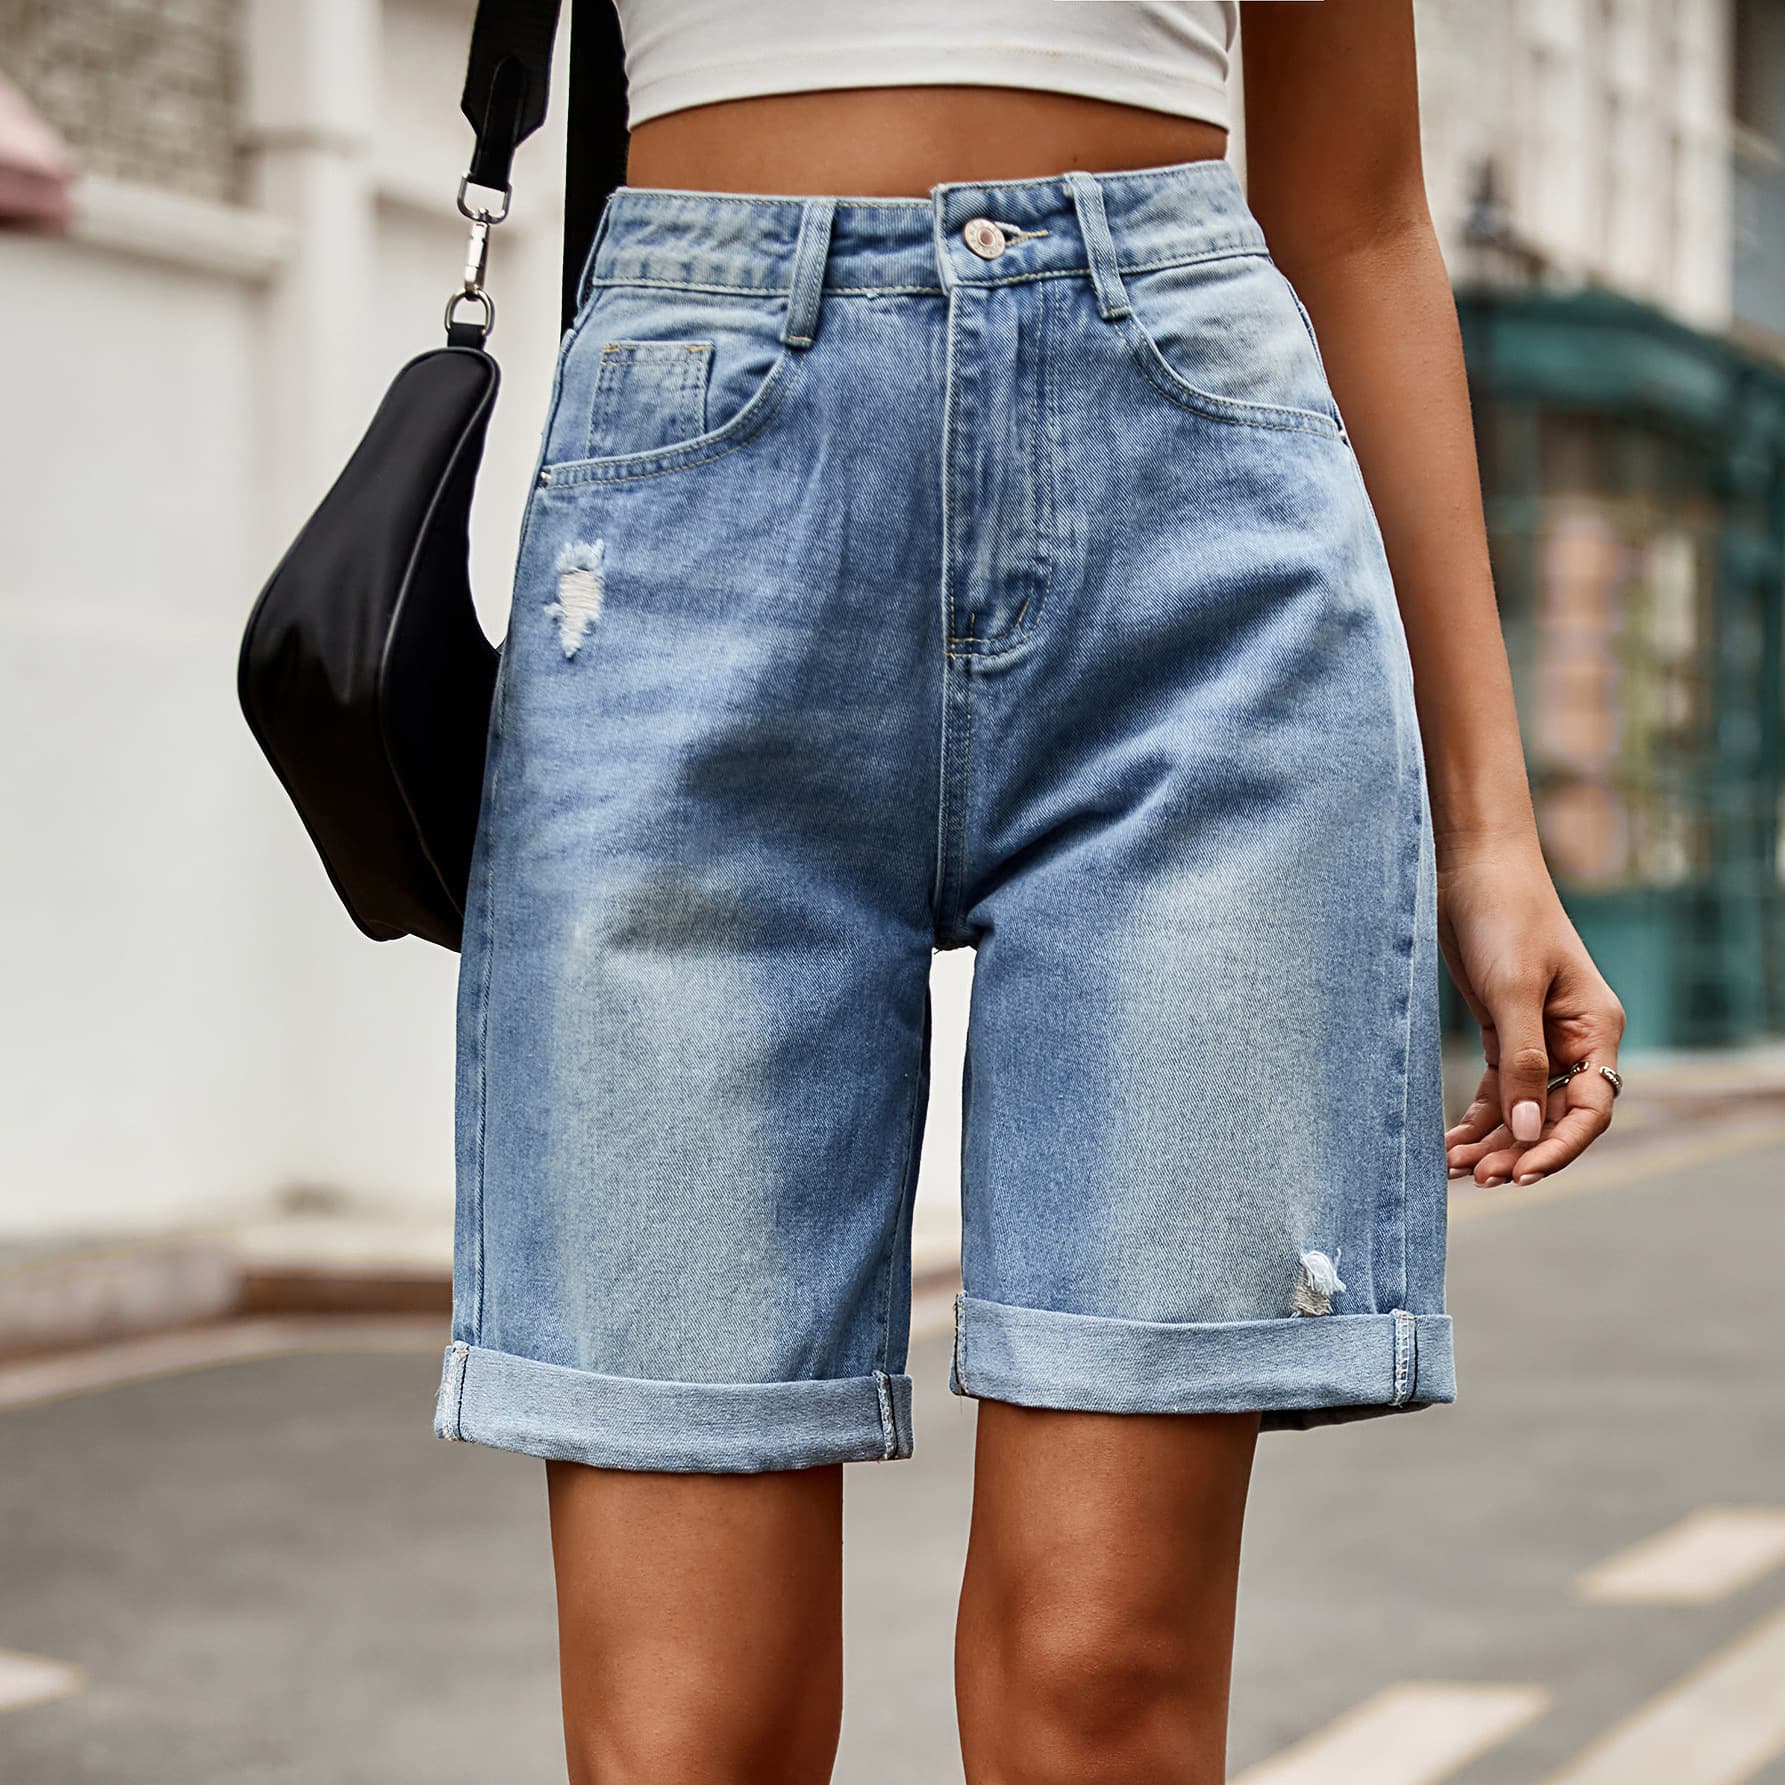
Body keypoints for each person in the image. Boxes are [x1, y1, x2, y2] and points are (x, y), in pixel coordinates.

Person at [433, 3, 1627, 1779]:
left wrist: (1488, 830)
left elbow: (1360, 217)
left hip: (1191, 533)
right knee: (684, 1733)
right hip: (696, 498)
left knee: (1103, 1691)